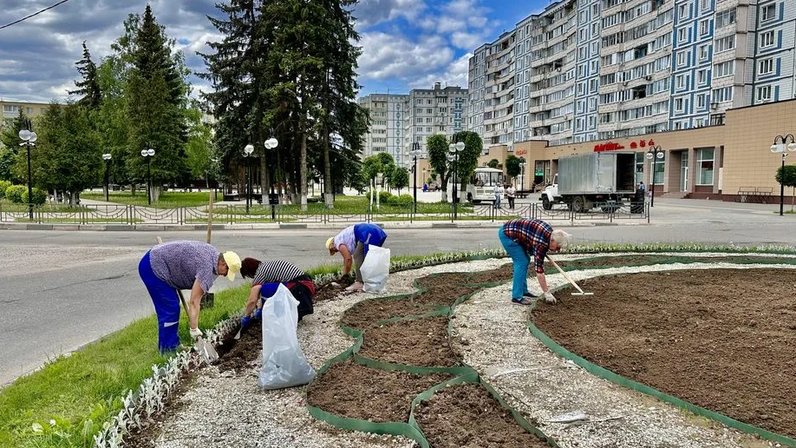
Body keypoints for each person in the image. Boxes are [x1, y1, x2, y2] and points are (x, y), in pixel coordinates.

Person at [139, 240, 241, 352]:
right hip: (153, 267)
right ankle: (167, 349)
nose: (225, 275)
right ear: (223, 263)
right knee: (170, 308)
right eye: (226, 272)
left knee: (172, 306)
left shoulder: (214, 254)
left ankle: (173, 344)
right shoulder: (206, 269)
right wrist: (194, 328)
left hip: (158, 258)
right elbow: (194, 301)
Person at [498, 218, 571, 305]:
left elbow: (531, 241)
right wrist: (546, 293)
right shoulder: (541, 243)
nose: (557, 250)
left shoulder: (550, 235)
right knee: (521, 262)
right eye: (558, 247)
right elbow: (539, 271)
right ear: (552, 240)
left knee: (525, 260)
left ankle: (523, 291)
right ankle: (516, 297)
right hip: (507, 234)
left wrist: (539, 252)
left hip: (516, 232)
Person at [239, 258, 315, 327]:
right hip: (304, 284)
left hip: (299, 287)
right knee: (267, 287)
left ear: (249, 271)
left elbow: (253, 299)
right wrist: (260, 307)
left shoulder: (260, 273)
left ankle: (278, 316)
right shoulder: (266, 266)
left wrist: (246, 316)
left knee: (265, 289)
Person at [326, 223, 388, 293]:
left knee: (357, 255)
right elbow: (347, 259)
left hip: (369, 232)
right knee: (367, 257)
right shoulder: (342, 237)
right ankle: (373, 282)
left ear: (332, 246)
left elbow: (348, 259)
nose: (337, 251)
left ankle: (359, 282)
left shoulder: (337, 243)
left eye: (334, 250)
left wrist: (345, 275)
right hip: (376, 231)